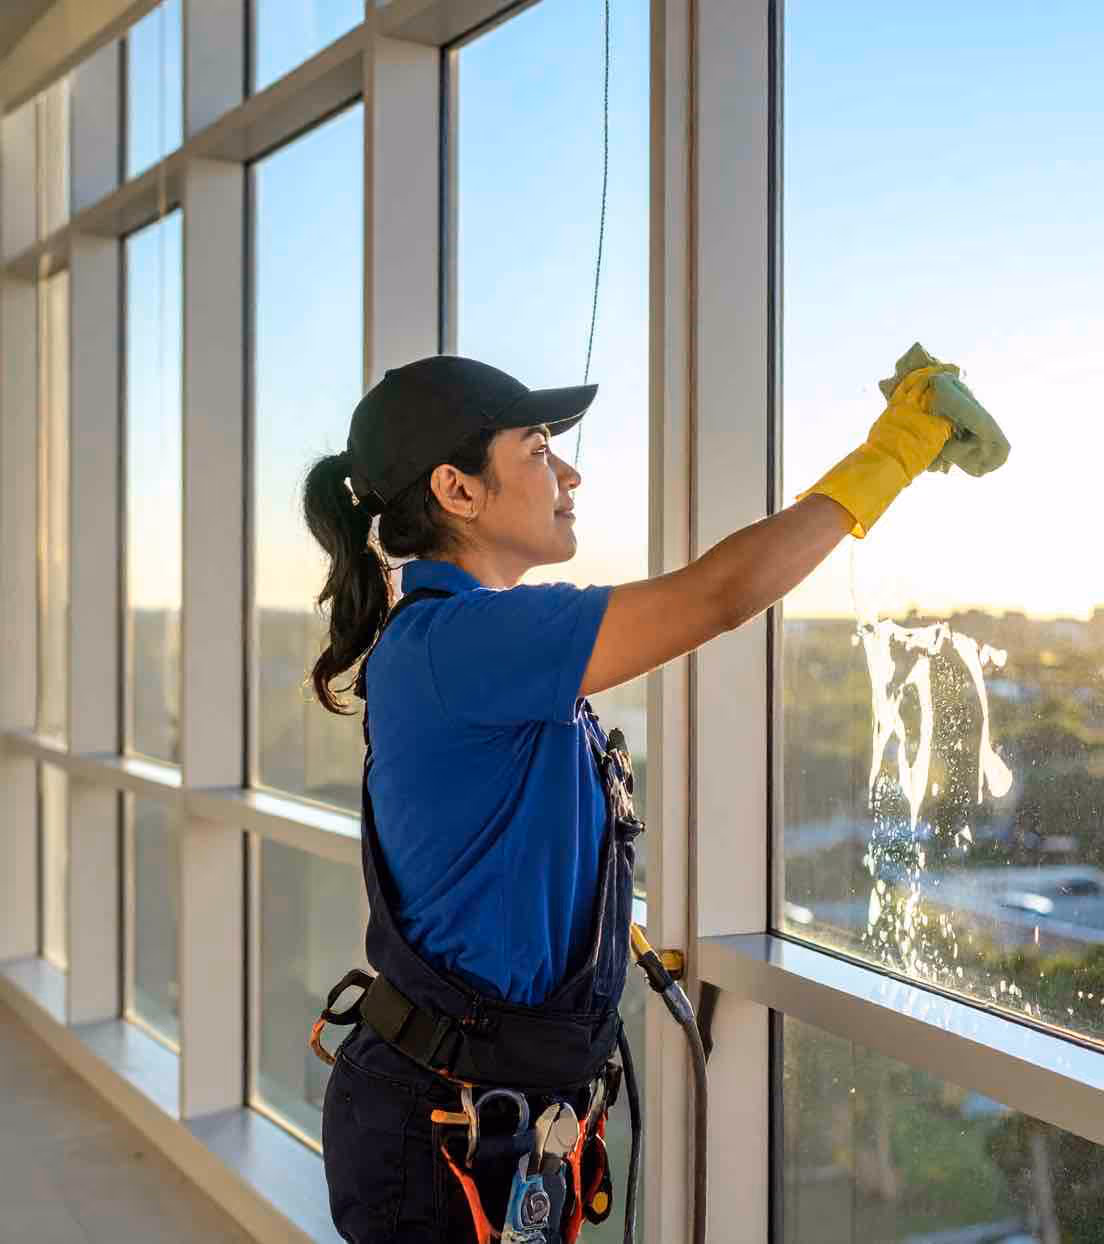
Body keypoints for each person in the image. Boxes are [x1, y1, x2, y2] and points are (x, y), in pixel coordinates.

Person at [302, 350, 1004, 1243]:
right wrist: (897, 447)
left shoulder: (463, 640)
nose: (570, 472)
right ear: (458, 489)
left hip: (485, 1115)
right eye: (538, 449)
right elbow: (721, 594)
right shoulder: (461, 642)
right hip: (443, 1132)